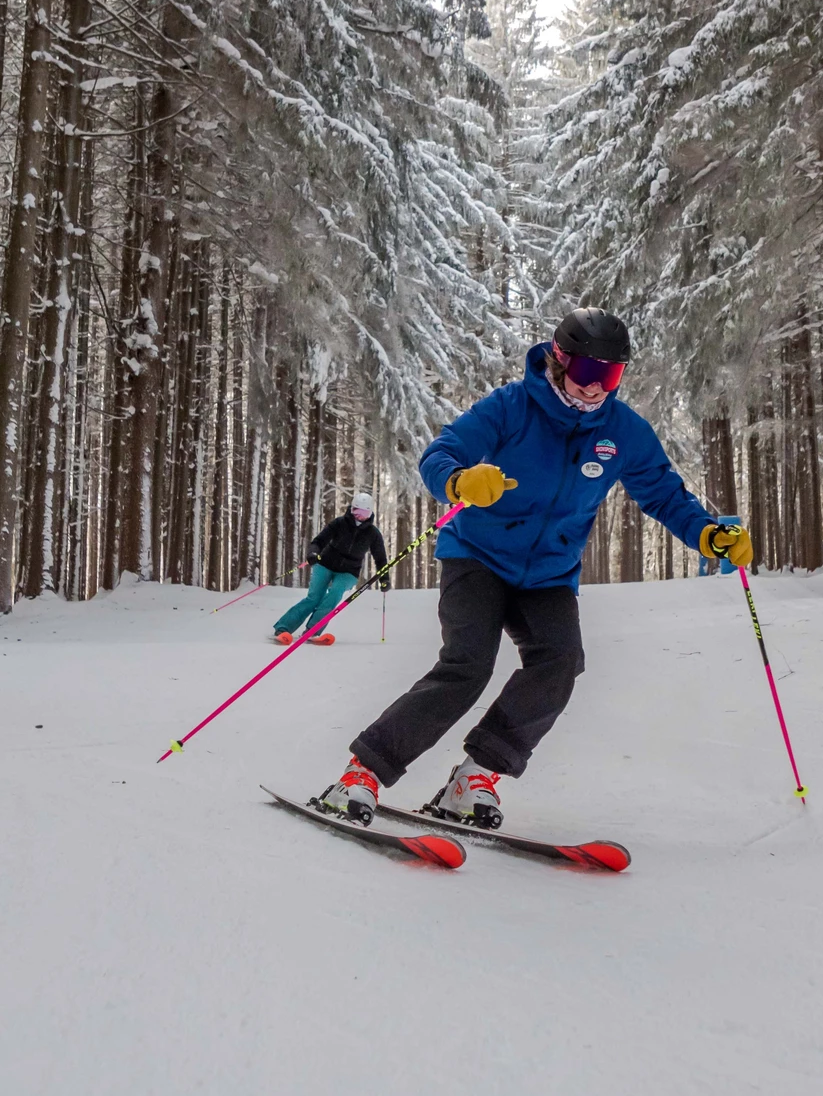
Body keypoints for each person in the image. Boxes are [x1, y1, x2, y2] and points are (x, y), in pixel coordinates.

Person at [315, 308, 753, 827]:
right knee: (468, 665)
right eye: (588, 372)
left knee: (560, 662)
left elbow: (664, 494)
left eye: (611, 375)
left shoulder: (622, 431)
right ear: (560, 360)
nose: (597, 387)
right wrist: (459, 481)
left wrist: (707, 534)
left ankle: (475, 777)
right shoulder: (511, 407)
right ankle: (362, 773)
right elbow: (440, 454)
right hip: (476, 556)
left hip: (548, 573)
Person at [273, 492, 389, 648]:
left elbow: (380, 558)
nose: (359, 516)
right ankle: (283, 629)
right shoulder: (339, 523)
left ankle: (313, 631)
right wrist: (313, 553)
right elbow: (319, 541)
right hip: (325, 564)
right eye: (356, 511)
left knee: (334, 594)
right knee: (314, 598)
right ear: (352, 509)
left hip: (349, 572)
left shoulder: (373, 534)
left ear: (370, 513)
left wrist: (384, 578)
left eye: (364, 512)